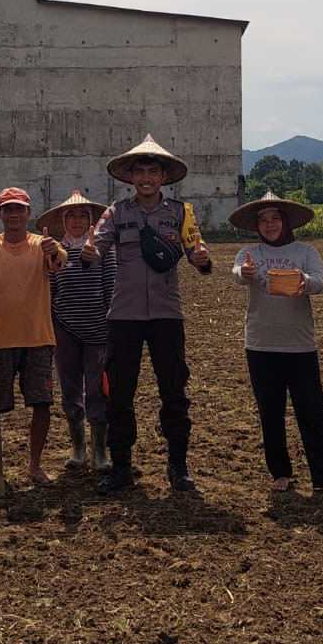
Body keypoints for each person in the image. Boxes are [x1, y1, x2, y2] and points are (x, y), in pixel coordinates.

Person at [80, 135, 213, 494]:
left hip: (168, 315)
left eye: (152, 171)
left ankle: (177, 465)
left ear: (164, 176)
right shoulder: (116, 213)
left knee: (174, 391)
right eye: (139, 171)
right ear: (130, 177)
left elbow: (196, 250)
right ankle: (121, 465)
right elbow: (97, 247)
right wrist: (89, 251)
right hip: (124, 315)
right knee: (119, 392)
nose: (145, 178)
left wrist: (202, 261)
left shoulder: (181, 213)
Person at [230, 191, 323, 497]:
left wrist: (303, 281)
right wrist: (244, 273)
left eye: (275, 218)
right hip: (260, 344)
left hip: (300, 345)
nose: (269, 224)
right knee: (270, 411)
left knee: (311, 410)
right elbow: (238, 275)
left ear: (286, 222)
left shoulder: (305, 251)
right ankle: (280, 472)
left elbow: (317, 282)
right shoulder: (249, 252)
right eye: (263, 219)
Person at [0, 187, 66, 486]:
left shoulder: (44, 245)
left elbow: (58, 263)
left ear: (28, 213)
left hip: (37, 337)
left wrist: (54, 251)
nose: (13, 214)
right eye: (7, 209)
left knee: (41, 402)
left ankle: (34, 466)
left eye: (19, 209)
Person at [37, 189, 117, 473]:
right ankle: (78, 448)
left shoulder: (104, 251)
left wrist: (111, 326)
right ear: (63, 220)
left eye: (84, 216)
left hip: (98, 329)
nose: (78, 221)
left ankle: (99, 452)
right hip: (65, 330)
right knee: (70, 389)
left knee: (97, 390)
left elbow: (111, 288)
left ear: (92, 221)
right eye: (72, 215)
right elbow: (51, 290)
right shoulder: (54, 252)